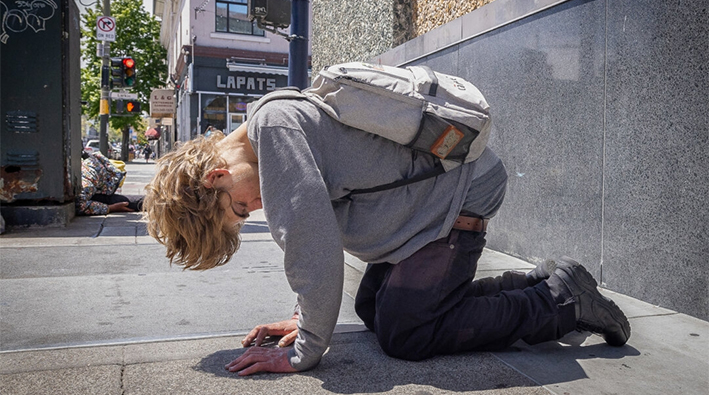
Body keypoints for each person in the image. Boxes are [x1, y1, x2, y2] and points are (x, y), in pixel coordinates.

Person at [142, 98, 630, 376]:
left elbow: (312, 248)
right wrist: (302, 317)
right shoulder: (272, 130)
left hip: (457, 195)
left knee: (408, 333)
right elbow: (319, 231)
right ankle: (535, 284)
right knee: (374, 307)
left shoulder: (273, 134)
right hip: (424, 211)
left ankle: (562, 302)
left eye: (240, 208)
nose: (256, 208)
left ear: (216, 177)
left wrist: (302, 351)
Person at [76, 151, 143, 215]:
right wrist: (111, 208)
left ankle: (148, 201)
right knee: (122, 201)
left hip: (94, 189)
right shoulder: (89, 180)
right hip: (90, 192)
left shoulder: (94, 165)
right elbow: (80, 205)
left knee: (122, 200)